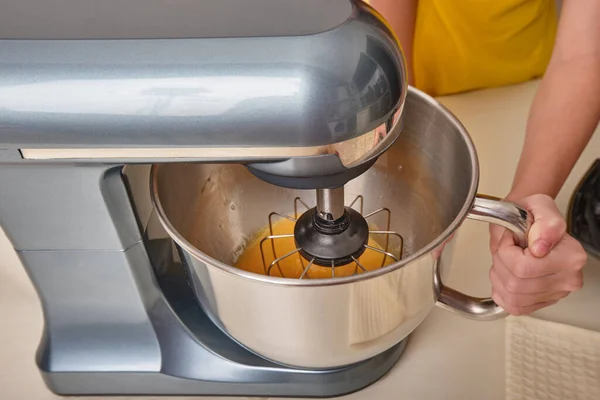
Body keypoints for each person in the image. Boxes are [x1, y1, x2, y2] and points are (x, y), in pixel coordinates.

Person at [369, 0, 600, 315]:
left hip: (529, 97)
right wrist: (407, 165)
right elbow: (387, 22)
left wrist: (527, 201)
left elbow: (582, 52)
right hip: (408, 90)